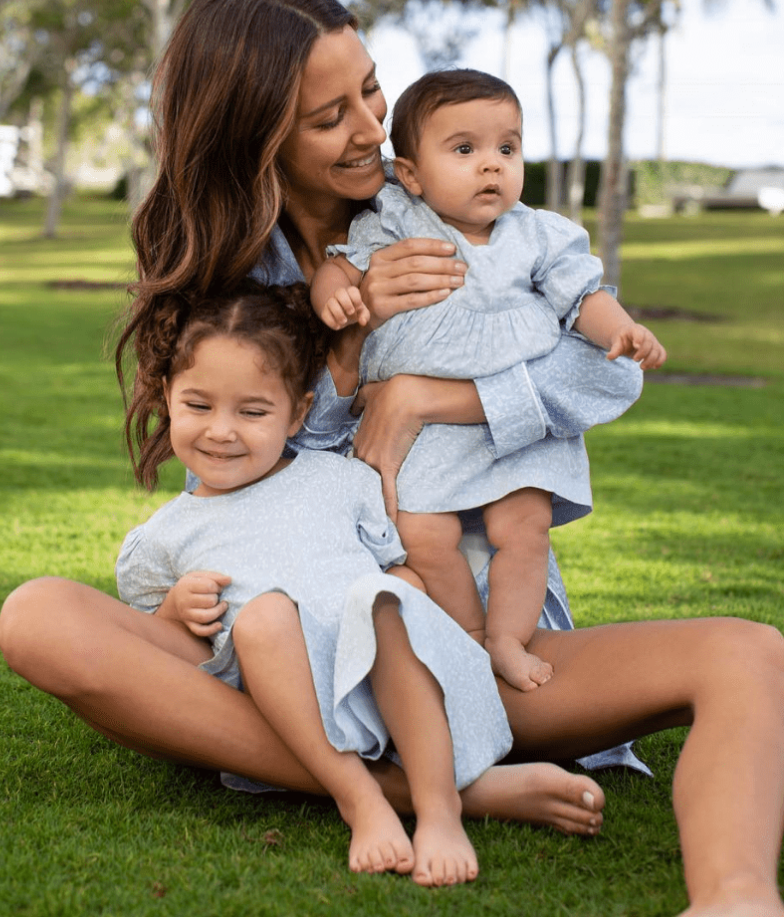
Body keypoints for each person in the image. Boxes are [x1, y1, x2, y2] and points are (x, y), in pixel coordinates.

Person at [0, 0, 784, 917]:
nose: (372, 126)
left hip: (467, 642)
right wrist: (347, 351)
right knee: (39, 617)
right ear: (259, 142)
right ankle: (424, 786)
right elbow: (248, 487)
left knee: (750, 652)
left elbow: (603, 377)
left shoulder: (469, 225)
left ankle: (738, 903)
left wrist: (423, 396)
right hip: (297, 647)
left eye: (370, 89)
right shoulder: (237, 290)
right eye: (331, 116)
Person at [115, 281, 600, 885]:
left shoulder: (338, 479)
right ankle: (359, 797)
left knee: (382, 599)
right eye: (198, 405)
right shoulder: (164, 535)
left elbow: (394, 561)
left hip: (378, 674)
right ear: (167, 397)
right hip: (291, 703)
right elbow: (145, 636)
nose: (221, 431)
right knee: (263, 615)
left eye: (253, 411)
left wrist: (404, 583)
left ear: (297, 411)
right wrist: (171, 611)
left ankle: (440, 812)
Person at [310, 69, 667, 692]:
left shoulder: (538, 235)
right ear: (413, 174)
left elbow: (581, 299)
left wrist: (621, 329)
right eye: (465, 150)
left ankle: (507, 637)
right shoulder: (396, 218)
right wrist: (334, 294)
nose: (491, 167)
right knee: (422, 533)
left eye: (508, 148)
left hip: (511, 430)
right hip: (427, 441)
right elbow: (342, 266)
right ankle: (470, 637)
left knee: (521, 529)